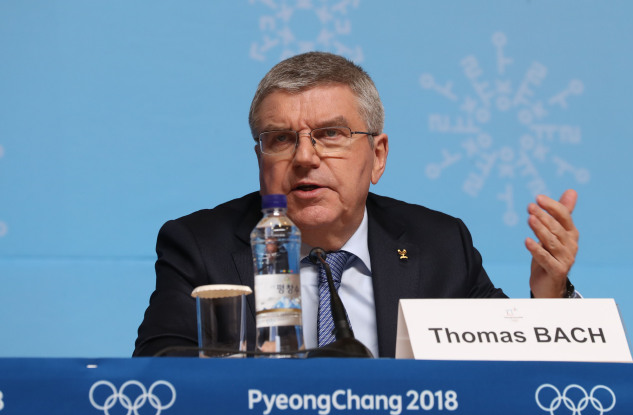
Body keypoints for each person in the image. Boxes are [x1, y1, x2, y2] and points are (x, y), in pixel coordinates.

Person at [133, 52, 579, 358]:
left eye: (330, 134)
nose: (305, 157)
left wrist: (550, 295)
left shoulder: (439, 244)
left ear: (378, 156)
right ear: (260, 159)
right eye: (281, 139)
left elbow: (510, 365)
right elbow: (159, 369)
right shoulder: (200, 245)